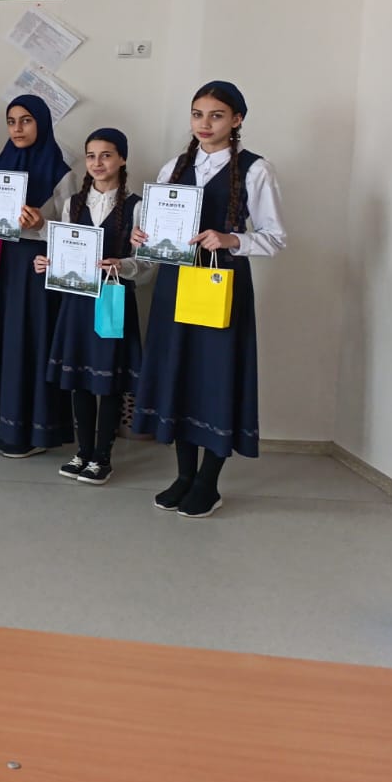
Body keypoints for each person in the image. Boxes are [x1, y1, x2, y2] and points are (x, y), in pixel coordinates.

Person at [132, 82, 284, 518]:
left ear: (237, 120)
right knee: (178, 372)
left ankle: (208, 483)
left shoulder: (256, 170)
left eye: (216, 115)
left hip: (222, 285)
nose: (205, 123)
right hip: (175, 284)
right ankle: (183, 476)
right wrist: (142, 237)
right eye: (197, 114)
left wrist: (232, 238)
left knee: (216, 377)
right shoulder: (173, 167)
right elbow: (156, 232)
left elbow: (275, 237)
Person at [37, 128, 146, 485]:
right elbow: (67, 251)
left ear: (122, 159)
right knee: (80, 380)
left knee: (108, 381)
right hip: (78, 302)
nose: (97, 163)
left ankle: (102, 457)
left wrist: (122, 264)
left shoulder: (137, 206)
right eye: (91, 156)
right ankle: (83, 451)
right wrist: (48, 262)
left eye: (106, 155)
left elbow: (146, 263)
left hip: (113, 301)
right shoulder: (73, 204)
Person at [0, 95, 76, 457]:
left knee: (30, 343)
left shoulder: (62, 173)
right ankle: (5, 423)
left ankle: (34, 431)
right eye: (12, 121)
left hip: (36, 269)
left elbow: (73, 232)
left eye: (26, 120)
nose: (17, 129)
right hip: (1, 267)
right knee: (1, 341)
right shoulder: (0, 168)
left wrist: (42, 224)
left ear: (42, 123)